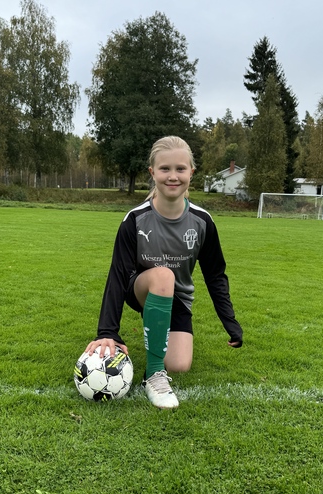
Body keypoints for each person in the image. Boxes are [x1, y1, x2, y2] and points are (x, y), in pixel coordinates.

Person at [85, 136, 243, 409]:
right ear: (152, 172)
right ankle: (154, 375)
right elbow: (118, 273)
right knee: (163, 275)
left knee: (180, 364)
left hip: (177, 298)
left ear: (191, 172)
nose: (173, 176)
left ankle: (161, 344)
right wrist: (107, 332)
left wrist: (230, 322)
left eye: (180, 169)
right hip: (140, 288)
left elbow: (215, 275)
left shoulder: (202, 221)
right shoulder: (135, 220)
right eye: (165, 169)